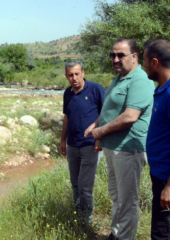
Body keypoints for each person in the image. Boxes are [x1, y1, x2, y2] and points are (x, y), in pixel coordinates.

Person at [84, 38, 155, 240]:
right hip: (113, 147)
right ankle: (116, 234)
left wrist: (101, 132)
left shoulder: (140, 80)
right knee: (116, 196)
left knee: (128, 200)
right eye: (112, 55)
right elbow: (111, 108)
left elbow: (130, 116)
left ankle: (125, 237)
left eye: (120, 55)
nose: (115, 59)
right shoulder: (120, 77)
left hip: (129, 148)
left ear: (134, 57)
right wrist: (96, 124)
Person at [143, 39, 170, 239]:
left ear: (154, 63)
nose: (142, 67)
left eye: (144, 61)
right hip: (163, 176)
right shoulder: (167, 87)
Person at [60, 60, 105, 223]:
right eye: (70, 75)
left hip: (90, 146)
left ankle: (88, 219)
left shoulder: (96, 89)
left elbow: (105, 114)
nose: (74, 78)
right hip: (72, 146)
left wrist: (99, 137)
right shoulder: (67, 93)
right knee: (75, 184)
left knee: (85, 185)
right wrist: (62, 140)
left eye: (77, 74)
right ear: (66, 76)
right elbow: (67, 117)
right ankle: (78, 215)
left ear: (83, 73)